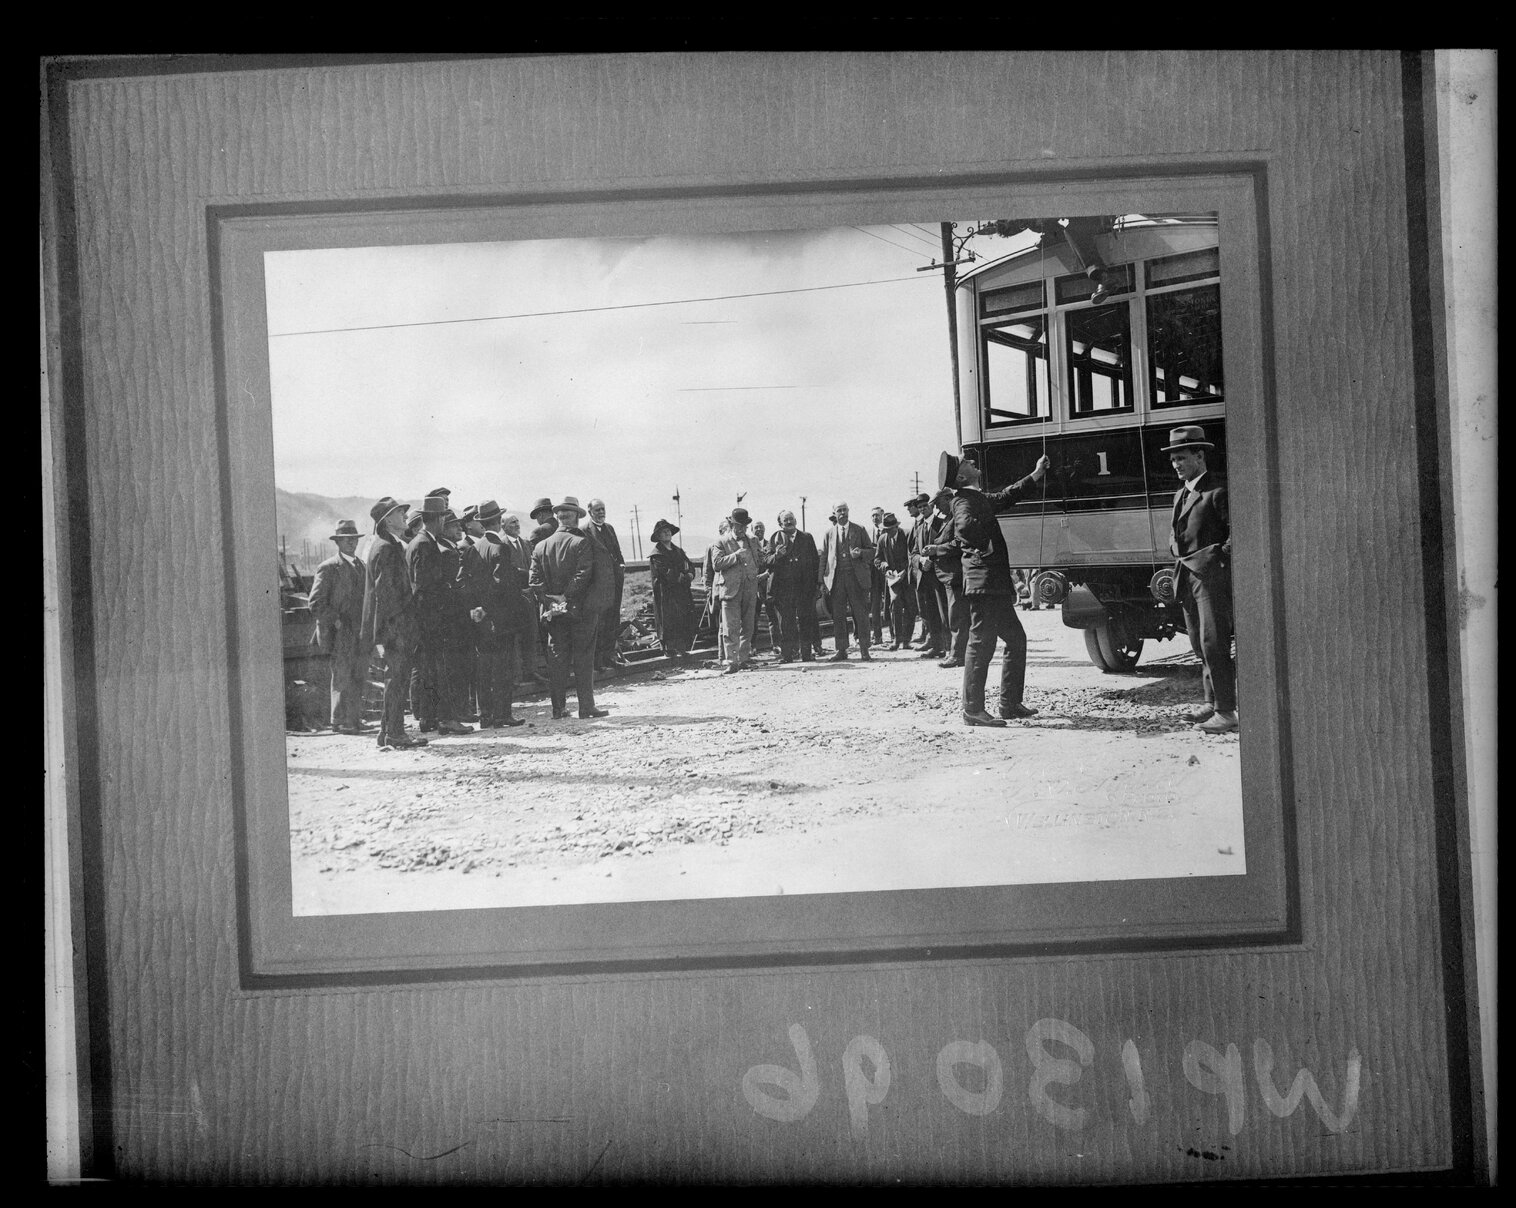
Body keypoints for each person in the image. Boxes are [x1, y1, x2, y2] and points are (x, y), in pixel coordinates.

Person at [939, 449, 1051, 726]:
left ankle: (1009, 704)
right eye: (967, 462)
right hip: (984, 584)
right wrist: (983, 544)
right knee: (981, 644)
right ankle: (972, 710)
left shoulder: (974, 497)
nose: (974, 462)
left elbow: (1005, 497)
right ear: (962, 475)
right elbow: (964, 528)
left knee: (1015, 639)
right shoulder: (963, 500)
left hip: (992, 585)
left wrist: (1035, 474)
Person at [1164, 425, 1238, 734]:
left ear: (1200, 455)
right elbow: (1176, 532)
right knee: (1197, 641)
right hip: (1187, 577)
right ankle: (1211, 702)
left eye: (1181, 458)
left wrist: (1217, 558)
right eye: (1173, 460)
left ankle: (1226, 711)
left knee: (1214, 641)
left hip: (1210, 578)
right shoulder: (1180, 494)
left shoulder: (1218, 491)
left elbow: (1239, 531)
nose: (1176, 465)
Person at [529, 497, 607, 719]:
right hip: (580, 611)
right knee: (583, 657)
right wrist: (565, 596)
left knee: (557, 659)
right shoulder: (581, 542)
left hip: (554, 614)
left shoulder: (541, 546)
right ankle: (586, 706)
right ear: (574, 517)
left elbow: (534, 581)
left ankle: (558, 708)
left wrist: (551, 602)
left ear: (558, 517)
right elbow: (583, 574)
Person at [359, 496, 427, 749]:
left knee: (395, 678)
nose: (406, 517)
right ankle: (395, 733)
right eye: (400, 513)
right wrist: (400, 624)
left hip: (393, 626)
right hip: (396, 627)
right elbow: (386, 594)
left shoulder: (386, 545)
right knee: (397, 679)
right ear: (388, 520)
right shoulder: (386, 548)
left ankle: (387, 731)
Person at [406, 498, 472, 735]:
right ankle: (446, 719)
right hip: (432, 619)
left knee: (428, 670)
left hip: (424, 619)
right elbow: (425, 587)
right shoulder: (425, 545)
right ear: (438, 519)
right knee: (443, 669)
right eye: (444, 517)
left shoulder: (418, 542)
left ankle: (428, 717)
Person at [471, 499, 529, 728]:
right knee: (503, 668)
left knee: (484, 668)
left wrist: (479, 608)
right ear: (498, 521)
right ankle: (502, 714)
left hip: (481, 619)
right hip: (501, 618)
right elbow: (501, 584)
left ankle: (485, 715)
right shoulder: (501, 548)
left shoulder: (475, 547)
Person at [308, 519, 369, 734]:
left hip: (359, 632)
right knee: (342, 676)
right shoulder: (328, 567)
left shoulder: (361, 566)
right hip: (339, 633)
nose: (351, 543)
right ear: (338, 542)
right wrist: (335, 620)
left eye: (354, 539)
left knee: (358, 674)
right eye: (346, 540)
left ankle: (353, 719)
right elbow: (315, 603)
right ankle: (340, 720)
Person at [708, 507, 762, 673]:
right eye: (737, 526)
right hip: (730, 590)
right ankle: (731, 661)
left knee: (748, 626)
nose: (741, 529)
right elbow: (716, 564)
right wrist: (736, 556)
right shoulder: (721, 542)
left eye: (743, 526)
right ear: (731, 525)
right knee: (730, 628)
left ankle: (743, 658)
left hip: (749, 588)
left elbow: (759, 560)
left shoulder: (752, 540)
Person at [818, 501, 873, 662]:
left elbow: (871, 552)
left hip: (856, 579)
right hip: (836, 580)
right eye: (839, 511)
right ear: (834, 514)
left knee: (860, 614)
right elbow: (823, 558)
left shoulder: (859, 529)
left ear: (849, 511)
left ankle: (864, 649)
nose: (842, 513)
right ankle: (841, 650)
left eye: (845, 510)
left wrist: (861, 553)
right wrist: (821, 581)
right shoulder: (829, 533)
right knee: (838, 615)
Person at [768, 510, 821, 663]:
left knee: (806, 620)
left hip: (804, 587)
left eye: (791, 519)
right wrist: (777, 556)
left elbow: (815, 562)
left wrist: (816, 584)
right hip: (784, 589)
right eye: (785, 520)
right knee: (786, 623)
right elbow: (766, 559)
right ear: (780, 524)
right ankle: (787, 655)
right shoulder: (775, 538)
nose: (789, 522)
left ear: (796, 520)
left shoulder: (807, 537)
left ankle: (806, 654)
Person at [582, 498, 627, 673]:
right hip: (598, 584)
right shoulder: (584, 530)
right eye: (598, 509)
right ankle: (597, 660)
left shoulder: (609, 529)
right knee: (599, 621)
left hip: (614, 581)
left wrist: (621, 565)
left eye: (603, 509)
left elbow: (617, 551)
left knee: (612, 619)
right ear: (589, 511)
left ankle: (610, 657)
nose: (601, 512)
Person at [927, 487, 969, 668]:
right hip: (948, 575)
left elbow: (960, 543)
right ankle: (958, 653)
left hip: (954, 575)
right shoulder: (948, 519)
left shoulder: (955, 518)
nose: (937, 509)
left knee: (956, 616)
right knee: (954, 616)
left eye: (938, 504)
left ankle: (958, 655)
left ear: (947, 498)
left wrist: (936, 549)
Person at [648, 519, 696, 657]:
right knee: (668, 619)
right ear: (658, 536)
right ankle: (669, 649)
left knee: (682, 617)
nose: (667, 533)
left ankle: (682, 648)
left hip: (681, 592)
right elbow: (663, 572)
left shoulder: (678, 551)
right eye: (663, 531)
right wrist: (680, 576)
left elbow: (689, 565)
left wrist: (691, 574)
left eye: (668, 530)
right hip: (666, 593)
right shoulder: (656, 554)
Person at [908, 493, 947, 659]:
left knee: (944, 612)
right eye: (920, 507)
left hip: (940, 575)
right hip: (925, 577)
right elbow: (914, 552)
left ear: (931, 506)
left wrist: (932, 559)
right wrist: (921, 560)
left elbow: (946, 546)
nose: (923, 509)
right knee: (931, 613)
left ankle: (950, 648)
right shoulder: (919, 526)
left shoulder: (942, 523)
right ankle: (936, 647)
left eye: (925, 506)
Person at [872, 511, 914, 651]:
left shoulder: (907, 535)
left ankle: (907, 640)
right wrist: (885, 568)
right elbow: (877, 559)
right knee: (895, 603)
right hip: (892, 578)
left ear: (896, 527)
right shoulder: (882, 539)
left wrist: (905, 572)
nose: (888, 532)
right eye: (886, 530)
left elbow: (912, 556)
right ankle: (897, 639)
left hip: (907, 577)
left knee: (910, 606)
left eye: (890, 529)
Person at [868, 505, 888, 645]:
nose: (875, 517)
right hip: (873, 574)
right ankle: (877, 636)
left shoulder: (888, 531)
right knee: (875, 605)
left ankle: (895, 635)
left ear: (883, 516)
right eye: (873, 515)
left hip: (888, 572)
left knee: (890, 602)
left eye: (878, 515)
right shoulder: (867, 533)